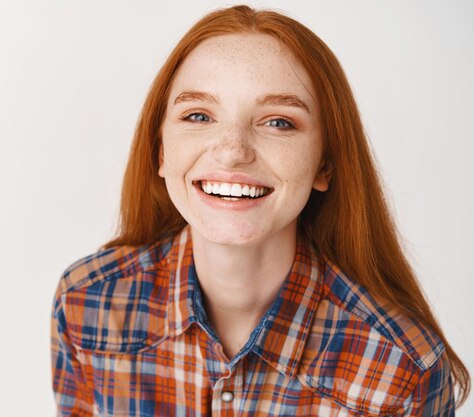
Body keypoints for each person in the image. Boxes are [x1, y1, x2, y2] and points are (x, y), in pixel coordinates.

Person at [51, 5, 469, 416]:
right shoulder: (87, 303)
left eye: (278, 122)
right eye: (198, 115)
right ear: (161, 151)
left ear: (325, 162)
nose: (232, 150)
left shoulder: (403, 370)